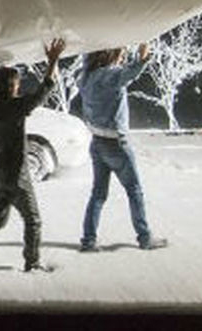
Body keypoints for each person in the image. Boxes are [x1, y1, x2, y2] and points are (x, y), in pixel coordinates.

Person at [0, 38, 66, 273]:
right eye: (16, 84)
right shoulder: (11, 107)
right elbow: (43, 90)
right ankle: (32, 262)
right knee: (33, 219)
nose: (18, 87)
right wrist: (53, 60)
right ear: (8, 87)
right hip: (15, 174)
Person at [78, 43, 167, 251]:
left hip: (97, 142)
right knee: (134, 191)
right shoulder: (110, 75)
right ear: (111, 55)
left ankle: (88, 241)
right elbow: (130, 73)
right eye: (121, 53)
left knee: (98, 194)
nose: (122, 57)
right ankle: (145, 237)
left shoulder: (87, 76)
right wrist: (143, 58)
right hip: (116, 144)